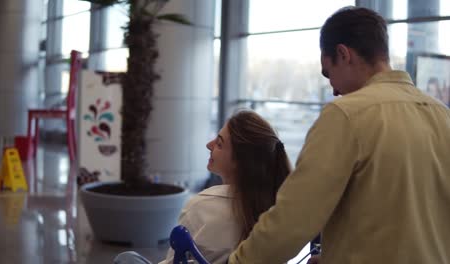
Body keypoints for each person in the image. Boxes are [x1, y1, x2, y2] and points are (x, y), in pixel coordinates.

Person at [228, 6, 450, 264]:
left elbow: (294, 219)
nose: (332, 89)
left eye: (327, 72)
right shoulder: (441, 115)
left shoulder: (346, 115)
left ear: (343, 54)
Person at [114, 110, 291, 264]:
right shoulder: (278, 212)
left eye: (219, 144)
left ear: (240, 162)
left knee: (127, 258)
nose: (209, 145)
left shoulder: (203, 206)